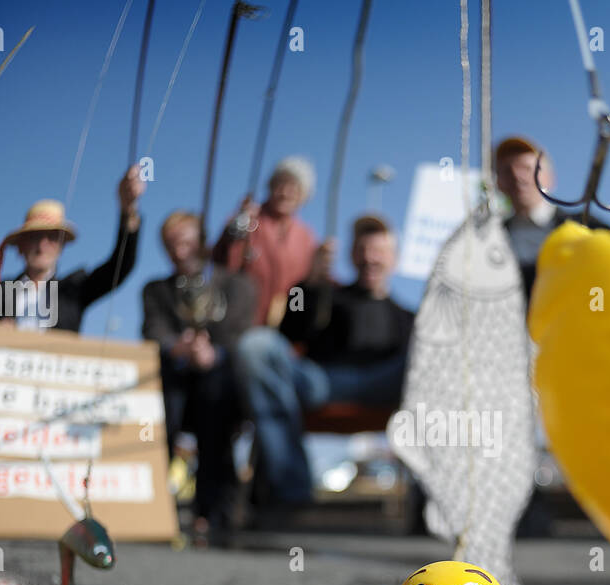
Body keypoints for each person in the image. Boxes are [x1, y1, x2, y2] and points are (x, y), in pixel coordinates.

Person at [236, 214, 413, 510]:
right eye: (363, 250)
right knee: (255, 346)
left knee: (443, 353)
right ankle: (291, 492)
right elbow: (286, 333)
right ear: (351, 256)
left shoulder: (409, 317)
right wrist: (310, 282)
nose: (370, 258)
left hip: (387, 382)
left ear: (394, 259)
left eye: (379, 251)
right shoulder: (327, 295)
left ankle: (431, 498)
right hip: (322, 381)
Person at [142, 211, 257, 546]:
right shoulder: (155, 290)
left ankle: (214, 509)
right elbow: (153, 331)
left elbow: (240, 333)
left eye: (186, 238)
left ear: (202, 242)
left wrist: (213, 352)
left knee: (217, 403)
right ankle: (153, 505)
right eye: (172, 240)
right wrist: (181, 347)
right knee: (165, 405)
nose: (180, 247)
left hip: (217, 387)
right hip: (174, 383)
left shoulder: (236, 284)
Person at [0, 166, 144, 332]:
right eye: (35, 237)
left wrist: (128, 210)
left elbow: (120, 265)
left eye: (52, 238)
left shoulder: (73, 290)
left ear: (62, 246)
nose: (42, 246)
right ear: (21, 246)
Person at [494, 136, 610, 303]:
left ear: (550, 178)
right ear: (498, 182)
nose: (517, 176)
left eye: (526, 168)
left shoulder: (593, 229)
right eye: (507, 170)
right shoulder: (489, 238)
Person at [211, 156, 321, 328]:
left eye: (293, 188)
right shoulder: (249, 218)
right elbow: (221, 260)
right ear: (270, 187)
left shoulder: (307, 236)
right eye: (280, 185)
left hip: (287, 325)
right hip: (243, 321)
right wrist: (236, 228)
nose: (285, 193)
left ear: (304, 196)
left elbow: (308, 285)